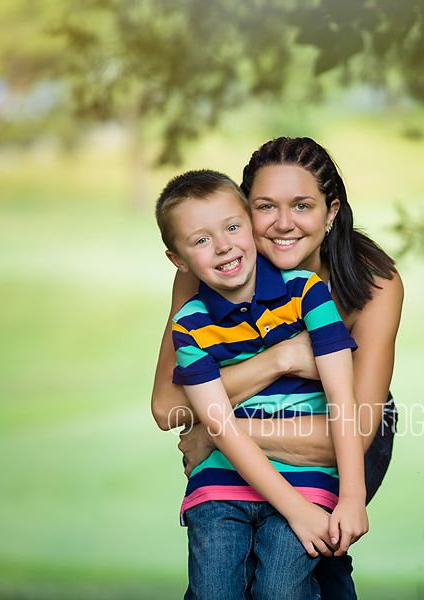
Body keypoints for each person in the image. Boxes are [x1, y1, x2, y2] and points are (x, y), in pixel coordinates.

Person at [151, 136, 404, 599]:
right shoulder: (209, 264)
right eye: (266, 206)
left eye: (302, 206)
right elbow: (169, 408)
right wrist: (281, 358)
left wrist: (214, 430)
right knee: (224, 572)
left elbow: (352, 430)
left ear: (330, 212)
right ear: (245, 210)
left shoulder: (373, 281)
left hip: (348, 420)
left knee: (309, 559)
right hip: (243, 416)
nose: (283, 224)